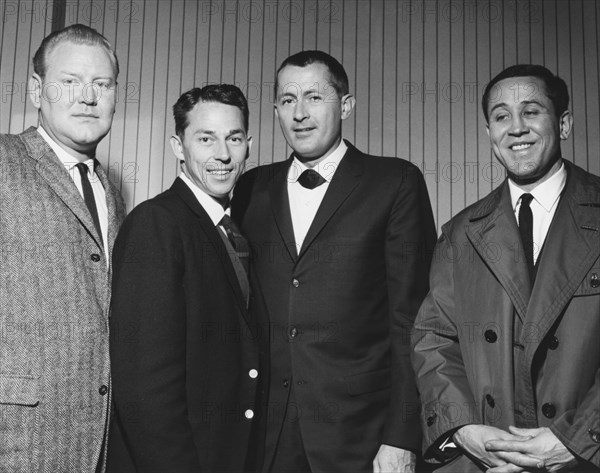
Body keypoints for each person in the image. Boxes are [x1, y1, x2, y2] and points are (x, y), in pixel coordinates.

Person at [232, 50, 437, 473]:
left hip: (360, 438)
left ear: (345, 105)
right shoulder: (250, 187)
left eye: (314, 97)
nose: (300, 113)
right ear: (275, 110)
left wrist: (401, 436)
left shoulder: (395, 182)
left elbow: (413, 321)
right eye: (288, 100)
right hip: (266, 439)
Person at [411, 64, 600, 472]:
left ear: (564, 124)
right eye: (501, 116)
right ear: (489, 134)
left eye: (531, 111)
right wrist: (463, 429)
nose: (516, 128)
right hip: (486, 461)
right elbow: (433, 338)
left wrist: (579, 438)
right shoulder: (461, 233)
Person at [107, 84, 266, 473]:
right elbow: (145, 387)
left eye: (234, 138)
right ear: (179, 147)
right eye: (205, 138)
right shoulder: (156, 223)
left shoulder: (237, 230)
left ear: (249, 144)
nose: (223, 155)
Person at [0, 24, 125, 472]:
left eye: (101, 84)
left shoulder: (110, 191)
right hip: (18, 441)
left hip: (99, 442)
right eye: (69, 82)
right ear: (37, 91)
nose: (87, 97)